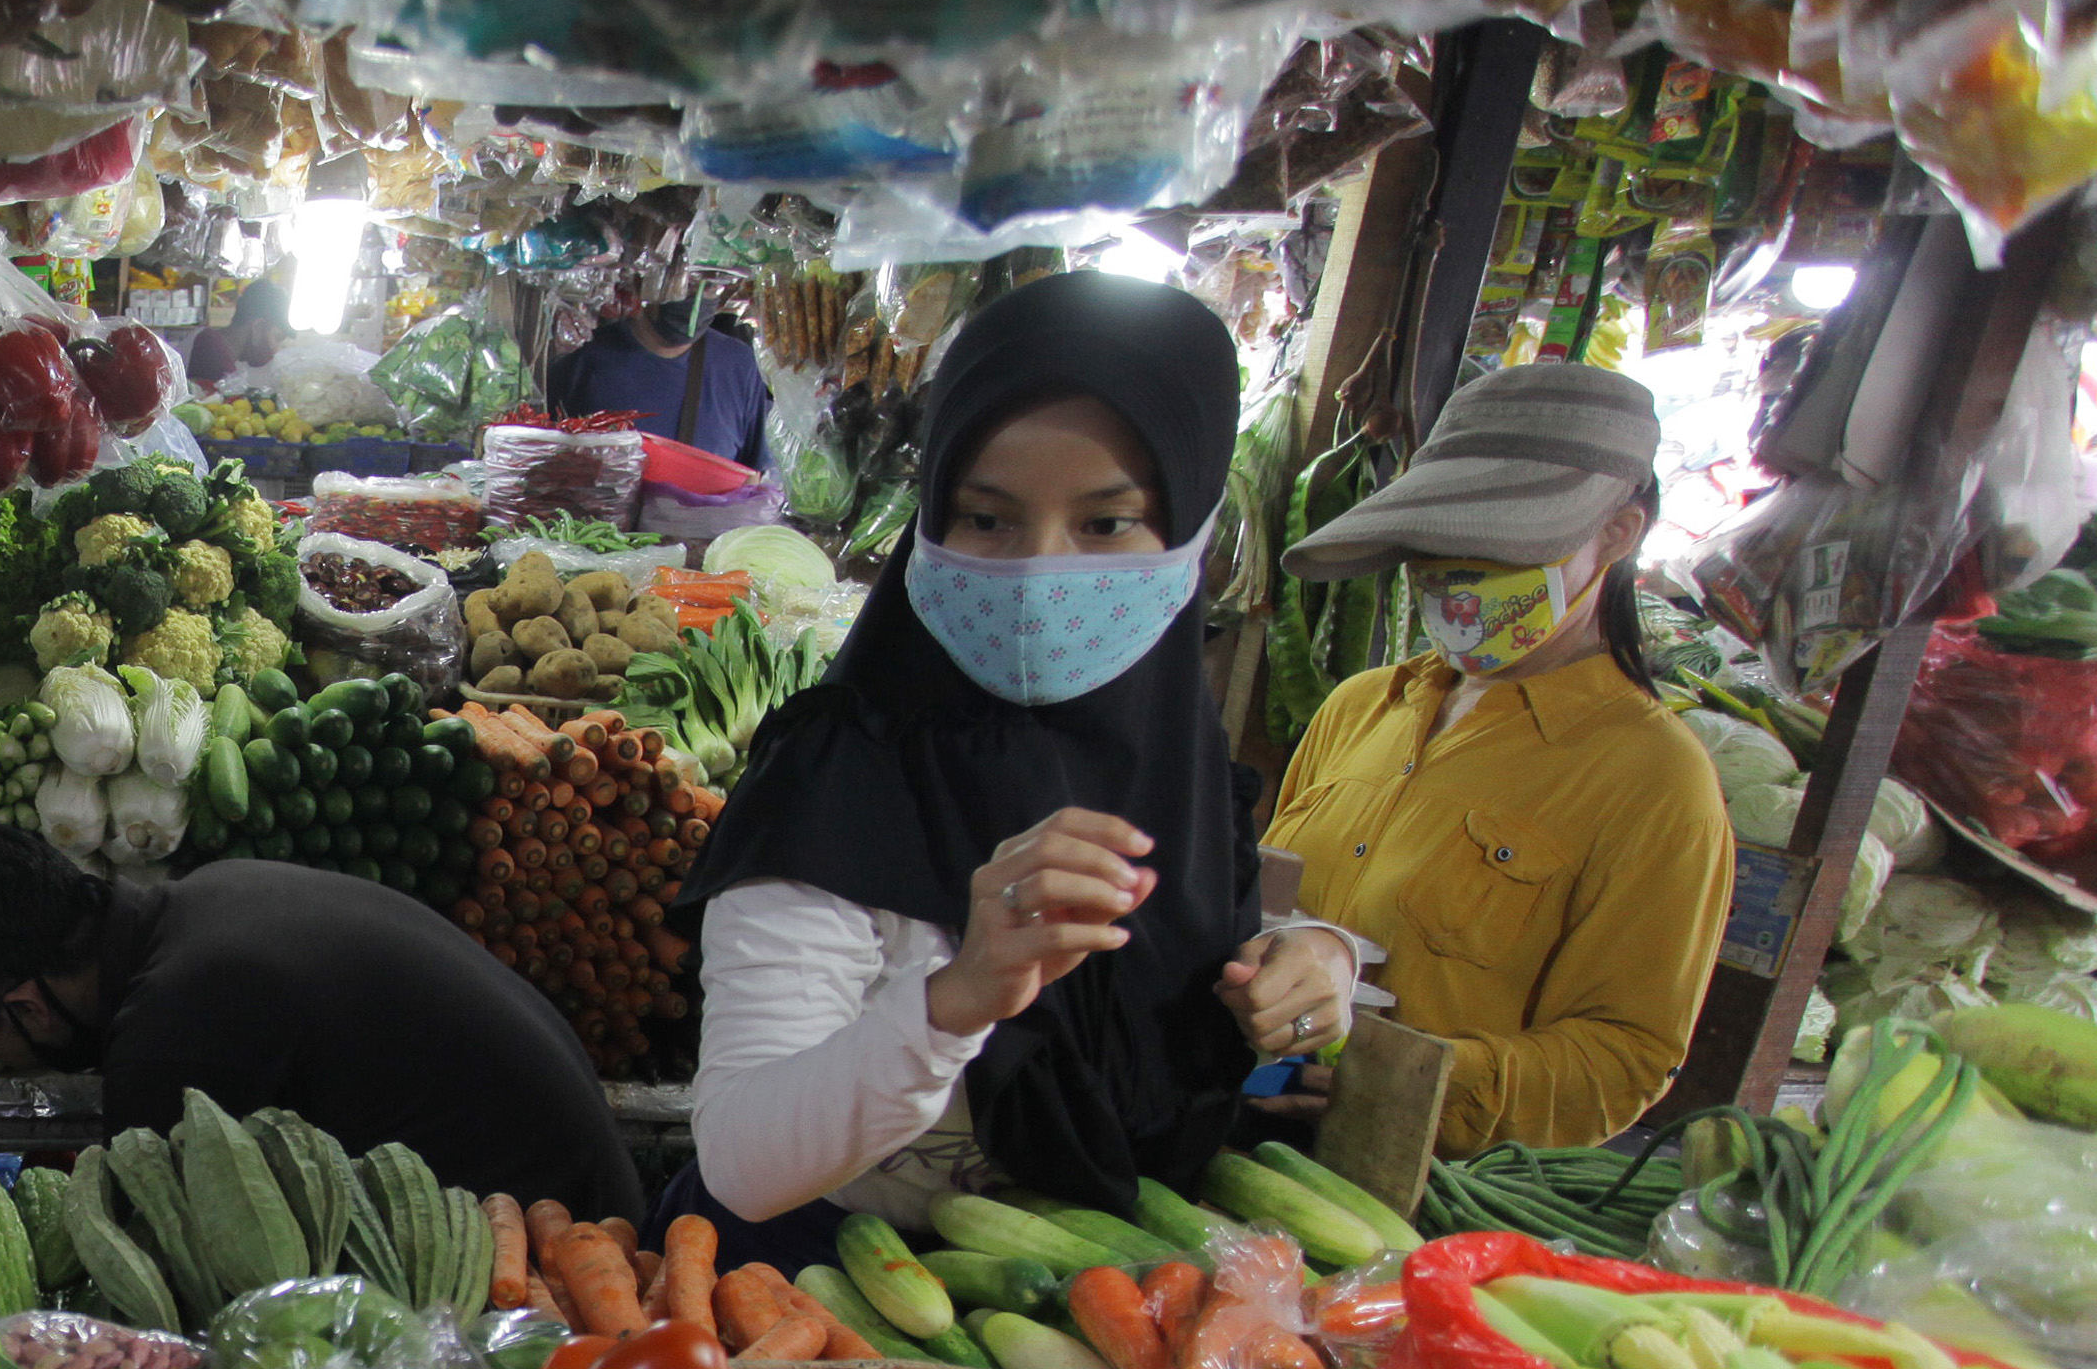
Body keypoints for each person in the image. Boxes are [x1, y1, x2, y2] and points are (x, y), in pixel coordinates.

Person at [667, 272, 1363, 1267]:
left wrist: (1311, 960)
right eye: (987, 518)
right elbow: (740, 1156)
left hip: (1091, 1298)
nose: (1040, 570)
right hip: (814, 1297)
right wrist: (963, 991)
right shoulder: (837, 780)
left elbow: (1175, 1001)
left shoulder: (1183, 768)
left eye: (1106, 523)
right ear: (930, 517)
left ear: (1193, 530)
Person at [1263, 363, 1731, 1156]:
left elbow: (1625, 1060)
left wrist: (1403, 1081)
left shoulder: (1655, 781)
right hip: (1234, 1142)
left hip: (1415, 1201)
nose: (1455, 576)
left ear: (1619, 533)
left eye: (1499, 543)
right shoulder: (1359, 708)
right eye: (1438, 541)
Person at [0, 817, 644, 1225]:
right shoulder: (209, 895)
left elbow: (175, 1271)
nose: (1, 1063)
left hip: (561, 1261)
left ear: (28, 1006)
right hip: (584, 1191)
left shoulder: (173, 1033)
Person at [548, 291, 769, 472]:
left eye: (709, 284)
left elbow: (755, 477)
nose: (696, 292)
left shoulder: (739, 365)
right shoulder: (580, 358)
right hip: (596, 522)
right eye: (687, 282)